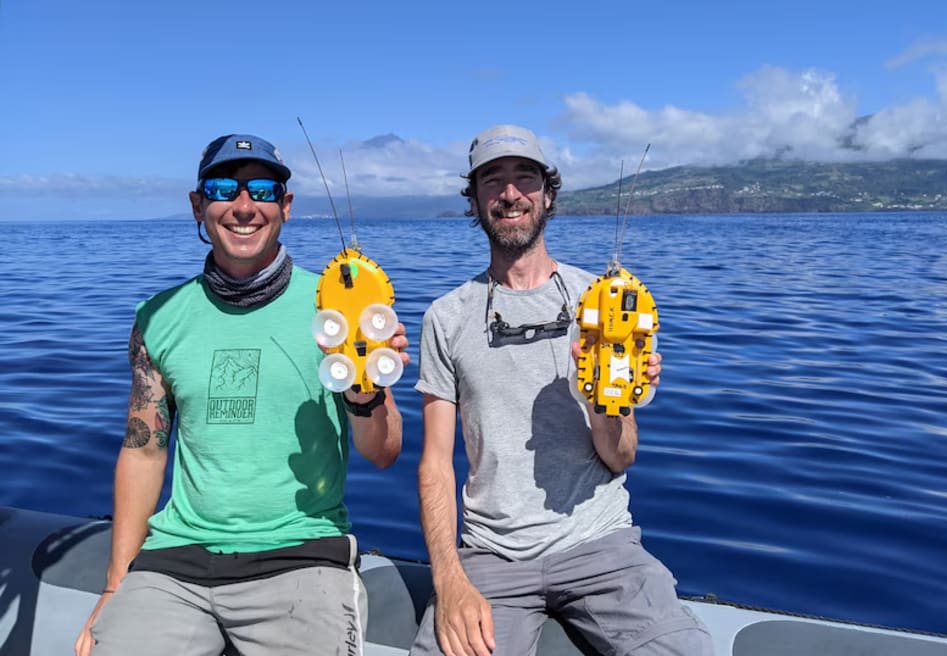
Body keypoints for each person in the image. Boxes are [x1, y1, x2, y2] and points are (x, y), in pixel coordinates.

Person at [74, 133, 408, 656]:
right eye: (224, 187)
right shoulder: (158, 318)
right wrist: (116, 585)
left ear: (286, 206)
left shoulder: (338, 307)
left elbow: (383, 453)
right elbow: (143, 453)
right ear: (199, 204)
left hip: (302, 555)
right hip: (177, 558)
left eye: (264, 190)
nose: (245, 207)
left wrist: (366, 393)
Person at [410, 125, 713, 656]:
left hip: (602, 545)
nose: (509, 194)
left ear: (548, 194)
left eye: (524, 178)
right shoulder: (446, 317)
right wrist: (449, 579)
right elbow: (436, 462)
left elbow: (621, 457)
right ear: (475, 199)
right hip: (491, 556)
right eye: (492, 181)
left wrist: (604, 406)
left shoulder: (603, 305)